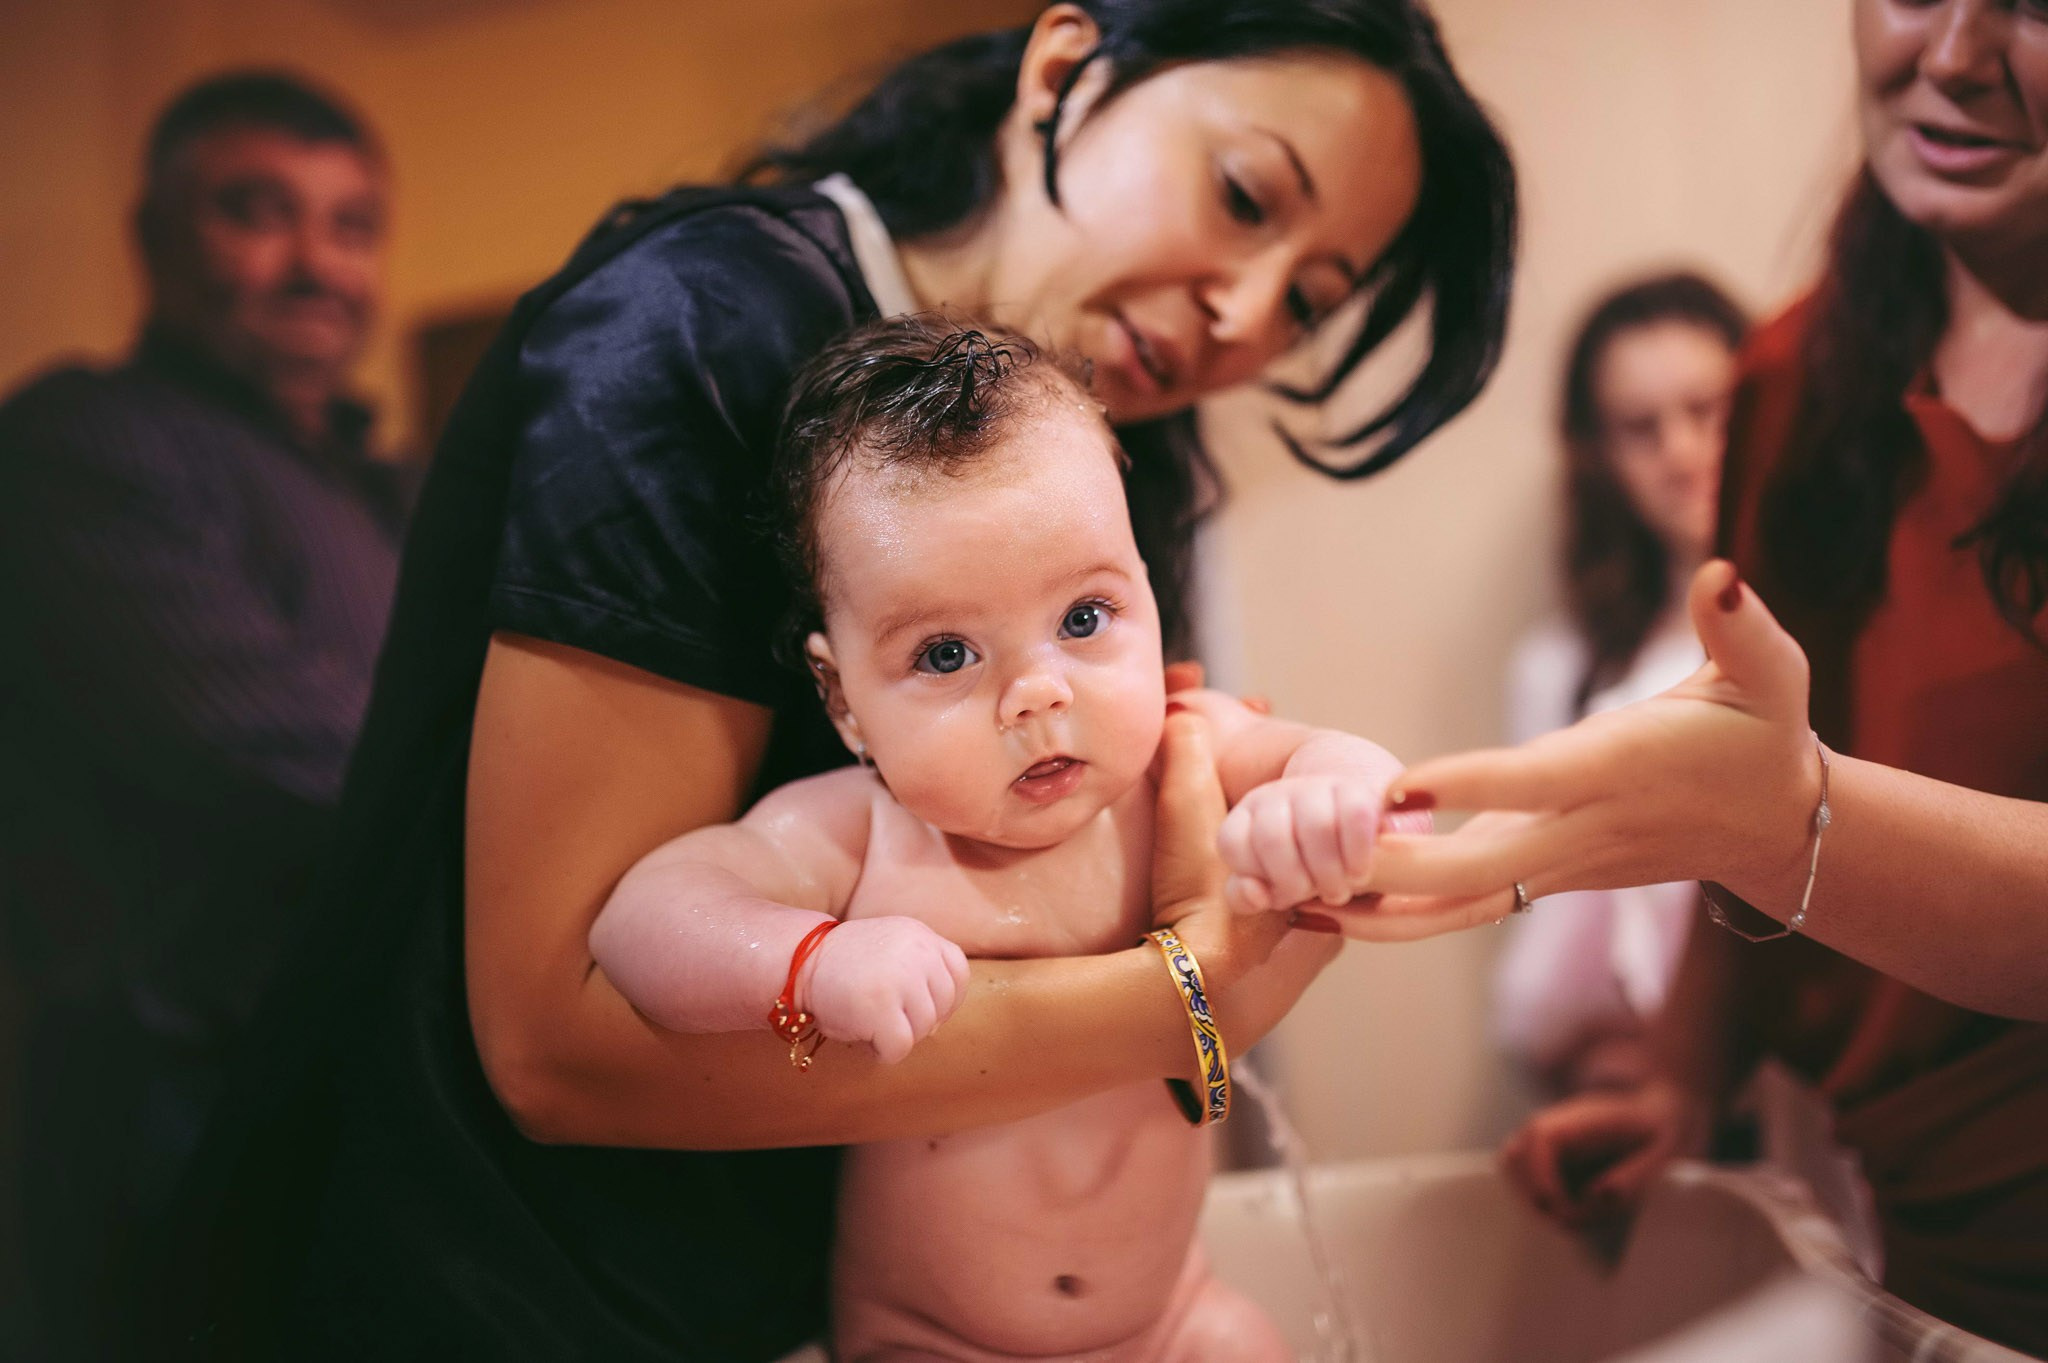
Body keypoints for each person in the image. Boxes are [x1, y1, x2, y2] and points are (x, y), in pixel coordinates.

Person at [156, 4, 1516, 1358]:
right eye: (1242, 195)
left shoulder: (1119, 446)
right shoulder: (692, 331)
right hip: (509, 1291)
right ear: (1062, 72)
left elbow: (1190, 794)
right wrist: (1181, 1007)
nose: (1244, 308)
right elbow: (556, 1039)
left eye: (1309, 301)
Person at [1354, 0, 2048, 1349]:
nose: (1953, 54)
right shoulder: (1797, 377)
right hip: (1902, 1240)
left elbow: (1772, 803)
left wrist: (1785, 819)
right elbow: (1766, 761)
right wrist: (1679, 1078)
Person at [593, 315, 1430, 1362]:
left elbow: (1353, 770)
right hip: (931, 1340)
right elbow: (642, 918)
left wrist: (1319, 804)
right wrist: (815, 961)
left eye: (1085, 618)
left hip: (1169, 1320)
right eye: (945, 652)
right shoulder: (861, 836)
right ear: (842, 700)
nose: (1036, 696)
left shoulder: (1187, 752)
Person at [0, 72, 401, 1362]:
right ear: (158, 237)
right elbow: (296, 759)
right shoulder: (80, 442)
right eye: (257, 212)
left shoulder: (384, 489)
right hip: (168, 1110)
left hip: (344, 1095)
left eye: (350, 225)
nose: (314, 264)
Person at [1492, 273, 1748, 1095]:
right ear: (1599, 455)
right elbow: (1547, 931)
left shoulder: (1847, 622)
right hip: (1618, 1084)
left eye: (1708, 410)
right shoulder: (1562, 672)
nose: (1680, 451)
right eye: (1642, 428)